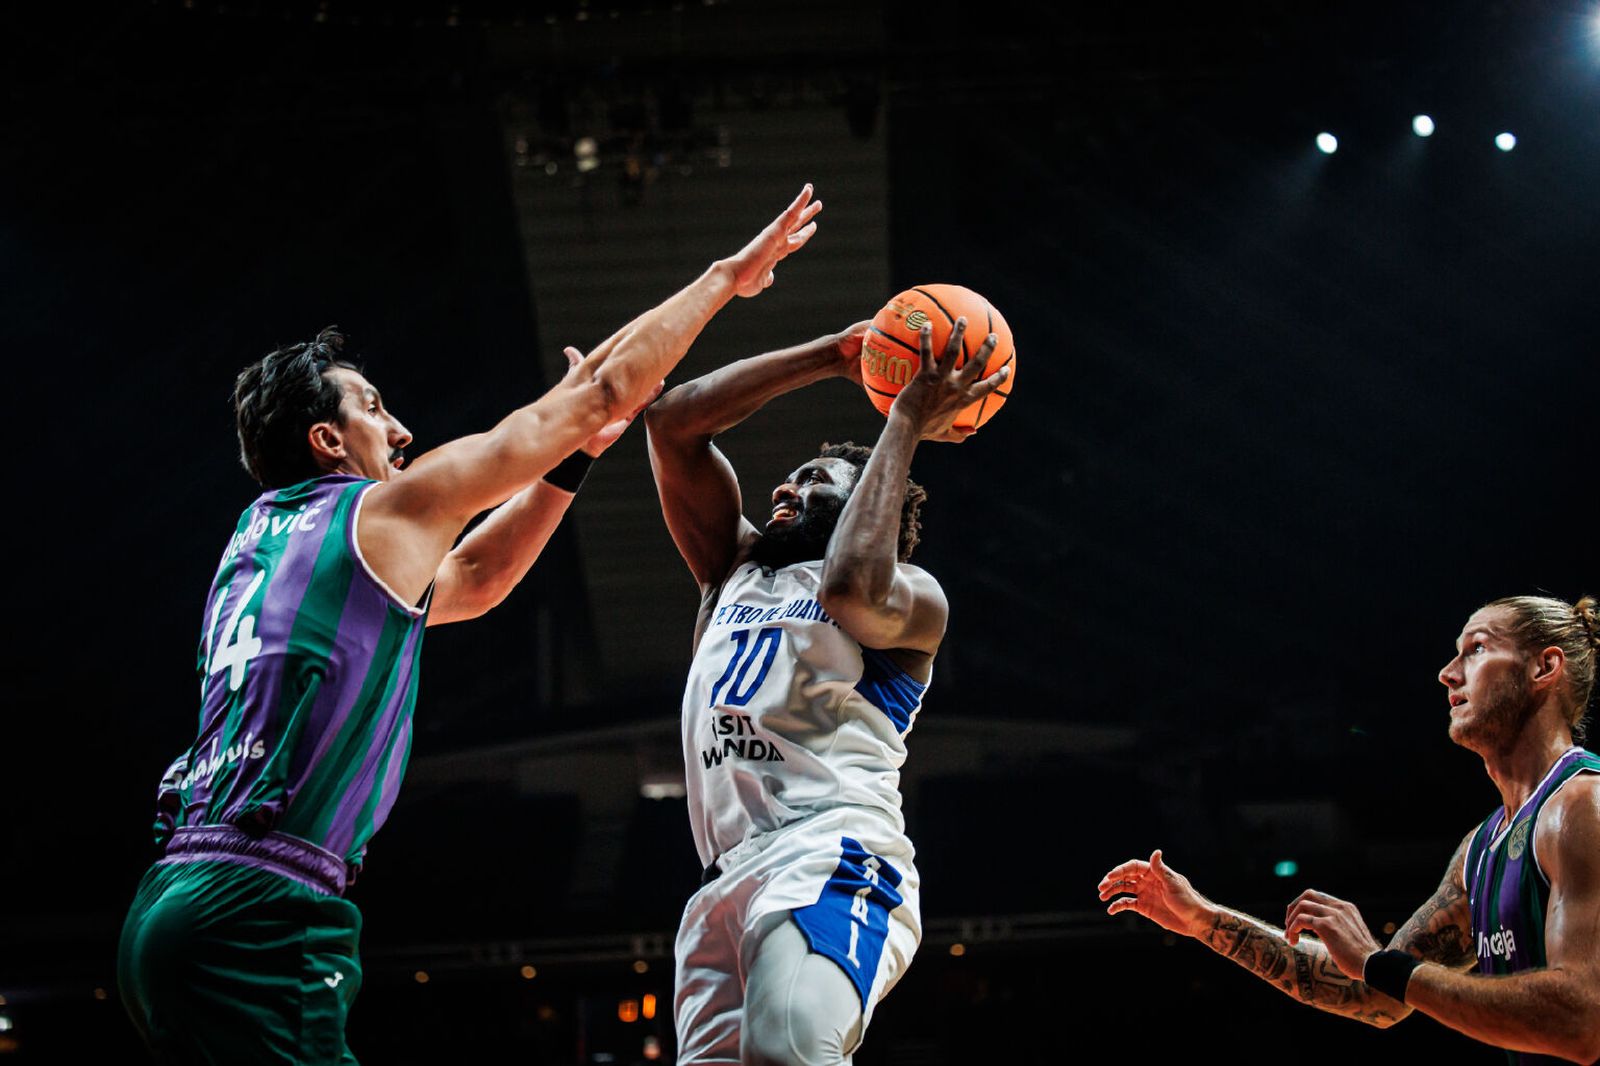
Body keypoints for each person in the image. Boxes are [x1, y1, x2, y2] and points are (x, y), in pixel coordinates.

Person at [115, 186, 825, 1064]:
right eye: (372, 408)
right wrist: (726, 278)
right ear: (327, 443)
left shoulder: (256, 545)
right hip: (258, 906)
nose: (401, 429)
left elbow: (478, 578)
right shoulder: (379, 512)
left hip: (173, 899)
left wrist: (572, 450)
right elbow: (602, 390)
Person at [644, 314, 1008, 1065]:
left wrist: (903, 418)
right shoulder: (731, 572)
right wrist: (831, 358)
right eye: (793, 476)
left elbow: (850, 586)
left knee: (788, 1051)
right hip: (724, 878)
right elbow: (672, 423)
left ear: (867, 505)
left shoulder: (914, 598)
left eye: (815, 483)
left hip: (833, 849)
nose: (786, 486)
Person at [1099, 594, 1600, 1065]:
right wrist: (1204, 920)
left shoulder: (1584, 807)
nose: (1448, 674)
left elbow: (1580, 1020)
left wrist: (1383, 968)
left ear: (1543, 667)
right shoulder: (1483, 847)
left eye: (1477, 649)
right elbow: (1377, 995)